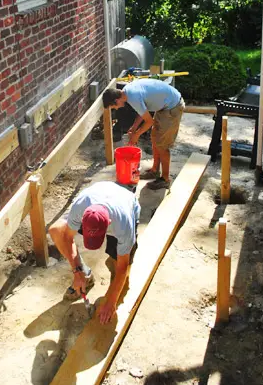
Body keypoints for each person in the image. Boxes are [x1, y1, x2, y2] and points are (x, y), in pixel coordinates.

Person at [48, 181, 140, 325]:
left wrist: (111, 302)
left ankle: (111, 262)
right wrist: (77, 271)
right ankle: (85, 275)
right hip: (97, 194)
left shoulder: (123, 225)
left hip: (124, 203)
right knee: (56, 230)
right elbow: (67, 237)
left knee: (121, 272)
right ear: (82, 221)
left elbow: (123, 266)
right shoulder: (80, 208)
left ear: (108, 224)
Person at [103, 79, 185, 190]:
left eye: (114, 107)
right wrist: (134, 127)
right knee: (155, 138)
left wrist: (137, 134)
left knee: (162, 145)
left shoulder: (133, 97)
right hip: (163, 106)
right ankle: (154, 171)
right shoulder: (127, 91)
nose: (116, 108)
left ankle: (165, 179)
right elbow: (142, 111)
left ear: (117, 100)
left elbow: (149, 121)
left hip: (172, 106)